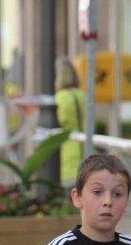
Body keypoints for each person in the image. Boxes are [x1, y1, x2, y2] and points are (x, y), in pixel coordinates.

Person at [54, 57, 83, 185]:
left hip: (67, 155)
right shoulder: (84, 95)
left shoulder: (60, 98)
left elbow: (61, 122)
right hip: (85, 151)